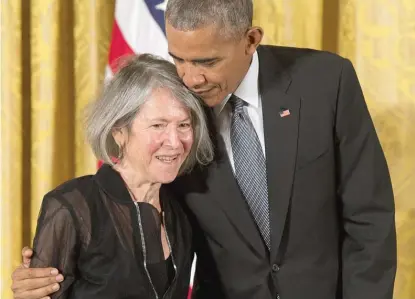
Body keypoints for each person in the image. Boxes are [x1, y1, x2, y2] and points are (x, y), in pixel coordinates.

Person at [11, 0, 397, 299]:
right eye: (178, 58)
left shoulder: (326, 82)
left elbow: (369, 216)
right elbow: (127, 203)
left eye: (206, 62)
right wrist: (51, 269)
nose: (190, 78)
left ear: (250, 40)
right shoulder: (176, 106)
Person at [11, 54, 213, 299]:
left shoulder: (181, 210)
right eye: (158, 125)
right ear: (119, 131)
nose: (175, 142)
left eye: (183, 125)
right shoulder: (71, 207)